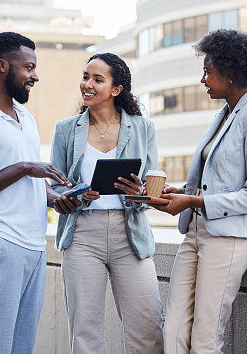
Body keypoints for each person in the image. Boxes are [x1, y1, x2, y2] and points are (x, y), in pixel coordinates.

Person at [0, 32, 80, 354]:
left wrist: (54, 197)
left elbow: (31, 181)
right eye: (29, 67)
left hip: (33, 244)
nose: (36, 76)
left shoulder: (26, 118)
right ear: (2, 65)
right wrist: (23, 168)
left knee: (21, 347)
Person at [154, 29, 247, 354]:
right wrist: (181, 192)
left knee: (206, 338)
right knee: (174, 330)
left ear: (231, 72)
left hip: (228, 238)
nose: (202, 79)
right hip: (195, 231)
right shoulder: (222, 116)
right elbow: (216, 179)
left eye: (208, 71)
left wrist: (192, 200)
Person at [50, 52, 164, 354]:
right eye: (85, 77)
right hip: (83, 235)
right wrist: (77, 194)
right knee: (85, 333)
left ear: (116, 89)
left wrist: (138, 191)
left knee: (148, 327)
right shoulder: (65, 129)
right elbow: (54, 188)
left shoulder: (142, 128)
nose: (87, 84)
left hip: (131, 235)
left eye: (97, 79)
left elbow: (153, 190)